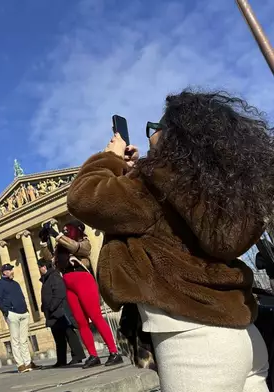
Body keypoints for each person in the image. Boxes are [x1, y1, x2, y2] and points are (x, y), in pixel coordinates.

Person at [67, 89, 273, 392]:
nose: (149, 133)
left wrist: (109, 158)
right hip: (243, 335)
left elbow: (85, 197)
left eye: (154, 128)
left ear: (174, 134)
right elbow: (172, 218)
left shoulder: (152, 183)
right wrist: (137, 171)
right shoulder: (214, 186)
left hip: (192, 338)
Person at [40, 221, 122, 368]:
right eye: (63, 230)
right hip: (68, 282)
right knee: (81, 321)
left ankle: (114, 352)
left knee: (95, 316)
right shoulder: (61, 247)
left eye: (67, 229)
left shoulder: (84, 241)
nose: (65, 231)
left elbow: (76, 248)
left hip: (82, 279)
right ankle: (93, 355)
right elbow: (50, 260)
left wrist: (57, 236)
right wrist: (44, 241)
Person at [37, 259, 85, 367]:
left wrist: (51, 307)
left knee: (69, 334)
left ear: (44, 267)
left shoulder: (54, 276)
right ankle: (61, 360)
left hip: (59, 312)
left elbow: (59, 293)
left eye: (40, 267)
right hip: (53, 313)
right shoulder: (47, 278)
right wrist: (43, 307)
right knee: (58, 337)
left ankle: (78, 356)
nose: (39, 269)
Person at [0, 263, 38, 373]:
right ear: (4, 272)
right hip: (12, 314)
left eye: (12, 270)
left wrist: (26, 309)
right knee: (15, 340)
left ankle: (28, 362)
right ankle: (20, 364)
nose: (12, 272)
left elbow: (21, 296)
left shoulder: (16, 284)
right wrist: (7, 312)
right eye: (10, 270)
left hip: (23, 313)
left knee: (24, 340)